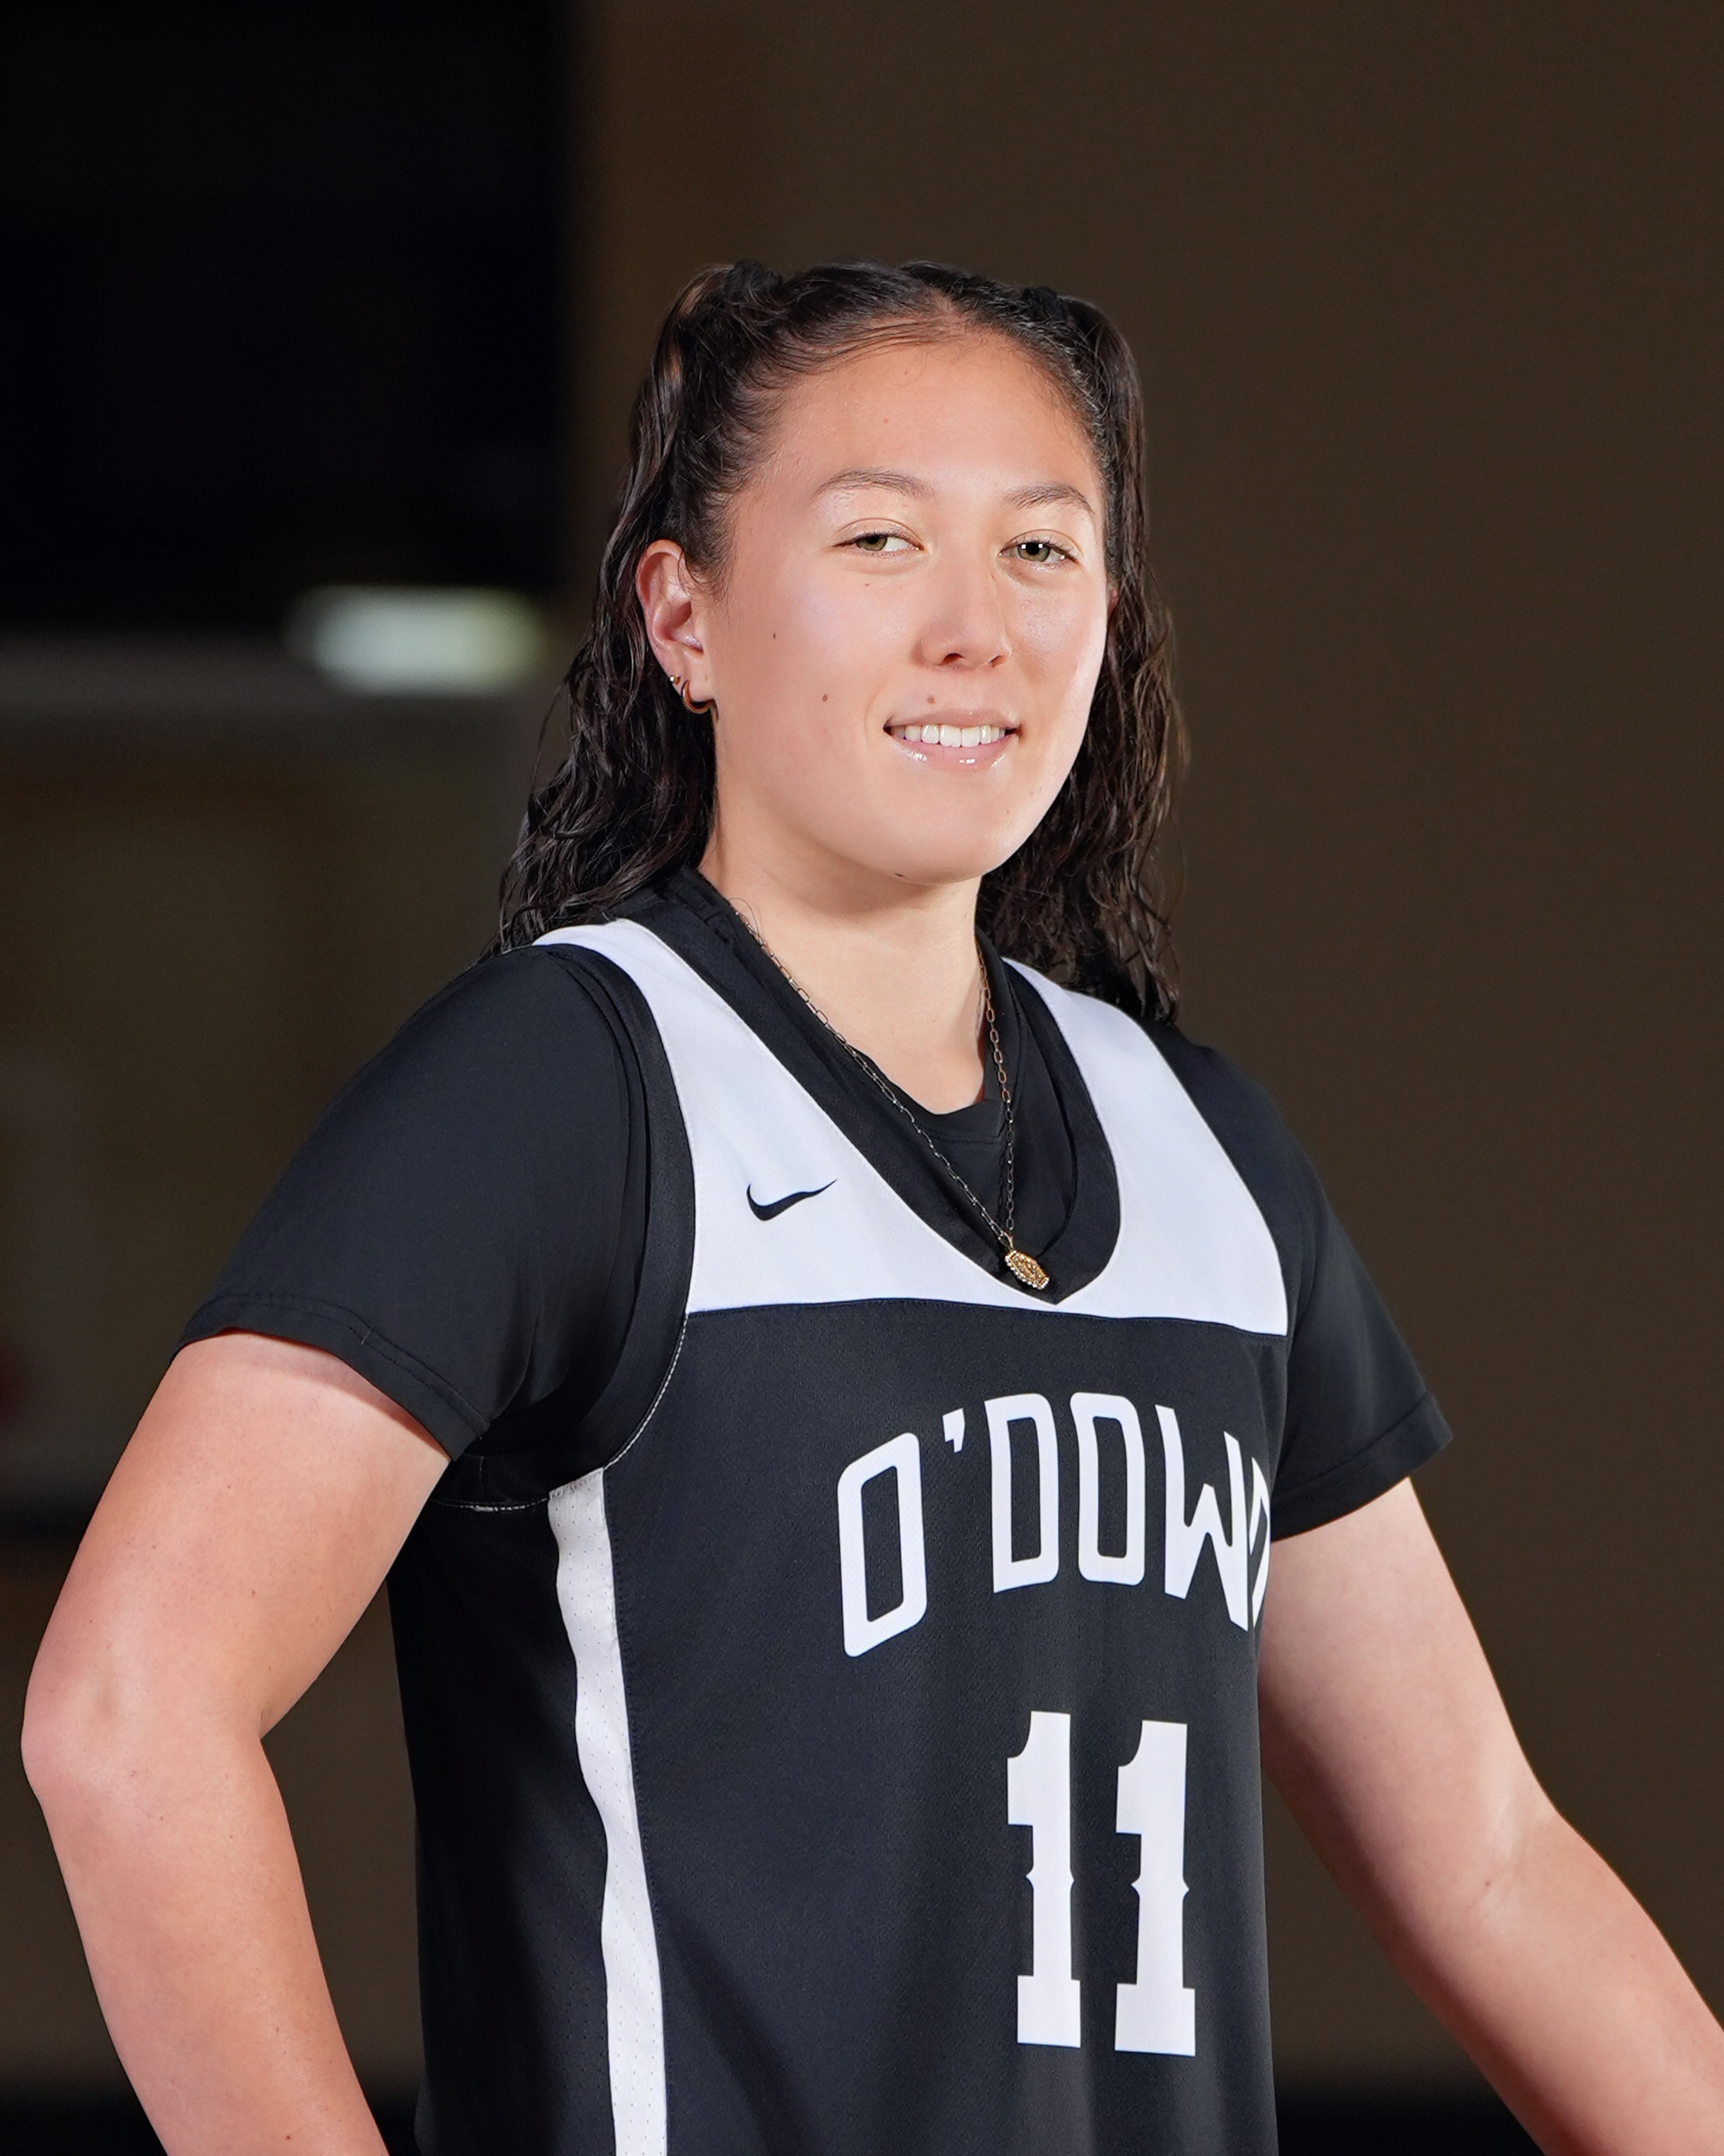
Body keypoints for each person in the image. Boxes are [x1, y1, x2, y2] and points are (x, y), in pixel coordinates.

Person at [21, 259, 1724, 2156]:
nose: (971, 629)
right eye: (879, 539)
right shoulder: (566, 1089)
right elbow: (128, 1713)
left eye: (1040, 550)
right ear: (683, 615)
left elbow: (1484, 1859)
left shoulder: (1205, 1155)